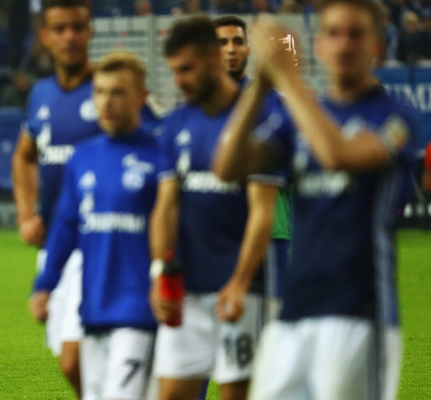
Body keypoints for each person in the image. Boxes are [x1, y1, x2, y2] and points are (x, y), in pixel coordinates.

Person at [212, 0, 419, 397]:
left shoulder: (396, 116)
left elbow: (338, 156)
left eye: (356, 34)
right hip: (292, 314)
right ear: (319, 44)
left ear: (377, 46)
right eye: (334, 34)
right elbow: (227, 166)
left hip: (358, 315)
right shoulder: (299, 118)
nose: (344, 45)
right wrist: (260, 87)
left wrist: (288, 79)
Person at [149, 16, 283, 400]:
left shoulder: (259, 116)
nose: (180, 80)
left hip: (242, 288)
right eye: (175, 71)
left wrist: (240, 283)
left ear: (212, 58)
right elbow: (166, 206)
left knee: (235, 393)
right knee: (172, 393)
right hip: (186, 290)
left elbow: (262, 211)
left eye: (187, 69)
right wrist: (160, 272)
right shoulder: (176, 122)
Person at [35, 50, 158, 400]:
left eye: (117, 92)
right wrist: (45, 286)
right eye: (100, 92)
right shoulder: (83, 158)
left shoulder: (160, 156)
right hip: (93, 310)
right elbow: (64, 228)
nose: (106, 101)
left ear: (140, 97)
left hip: (140, 311)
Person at [13, 0, 98, 396]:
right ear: (45, 36)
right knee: (74, 367)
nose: (69, 36)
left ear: (89, 31)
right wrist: (27, 214)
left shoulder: (108, 88)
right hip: (56, 247)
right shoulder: (42, 94)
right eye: (59, 28)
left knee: (76, 358)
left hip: (101, 242)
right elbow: (24, 156)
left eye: (77, 27)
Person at [214, 15, 292, 311]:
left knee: (275, 322)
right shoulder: (199, 109)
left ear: (248, 50)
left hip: (271, 229)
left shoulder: (276, 102)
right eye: (222, 43)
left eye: (237, 42)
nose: (231, 49)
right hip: (217, 231)